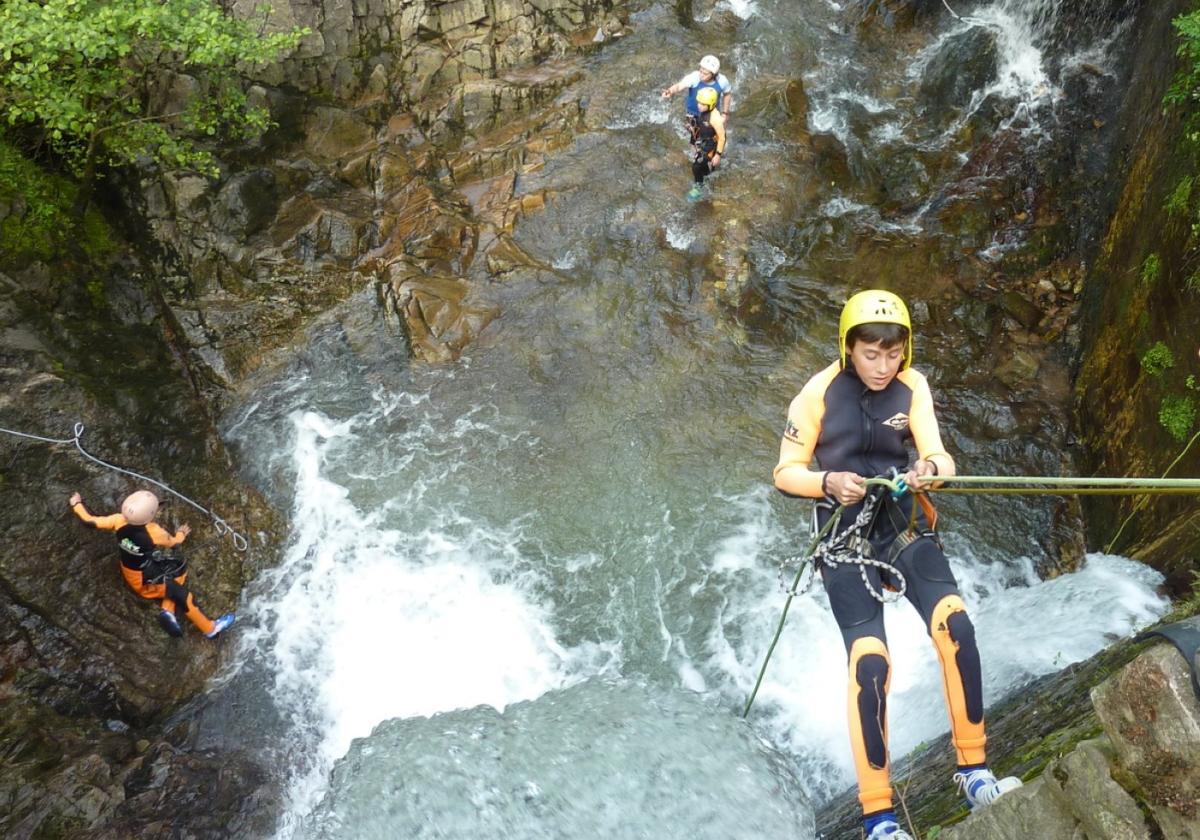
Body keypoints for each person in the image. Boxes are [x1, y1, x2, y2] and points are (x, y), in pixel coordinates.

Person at [772, 290, 1021, 840]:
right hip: (843, 536)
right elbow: (785, 472)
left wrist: (930, 466)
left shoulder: (914, 386)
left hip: (902, 521)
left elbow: (942, 456)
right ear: (848, 348)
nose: (883, 367)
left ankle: (975, 772)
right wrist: (827, 481)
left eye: (893, 354)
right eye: (870, 354)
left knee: (955, 622)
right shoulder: (817, 394)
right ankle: (878, 817)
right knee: (870, 662)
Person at [70, 489, 236, 639]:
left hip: (130, 569)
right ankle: (210, 629)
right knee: (184, 596)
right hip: (144, 580)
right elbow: (173, 543)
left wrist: (77, 503)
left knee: (178, 567)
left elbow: (89, 521)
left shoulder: (118, 520)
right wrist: (180, 535)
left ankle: (168, 612)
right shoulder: (154, 532)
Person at [660, 53, 734, 123]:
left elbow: (727, 94)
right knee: (694, 134)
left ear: (713, 74)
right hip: (692, 113)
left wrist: (725, 113)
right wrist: (670, 91)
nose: (701, 75)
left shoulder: (722, 81)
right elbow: (679, 86)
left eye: (705, 74)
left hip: (712, 113)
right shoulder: (694, 77)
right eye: (700, 71)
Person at [685, 87, 726, 200]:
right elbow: (700, 124)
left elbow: (722, 137)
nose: (699, 105)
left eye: (703, 104)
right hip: (703, 141)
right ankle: (707, 174)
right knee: (702, 166)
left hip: (711, 145)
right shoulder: (704, 112)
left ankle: (699, 186)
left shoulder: (715, 118)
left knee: (696, 166)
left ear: (711, 105)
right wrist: (692, 128)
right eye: (699, 102)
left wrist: (718, 154)